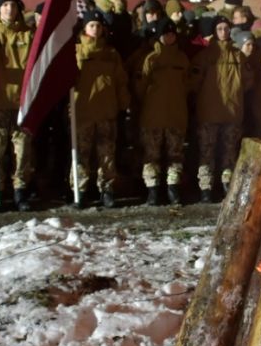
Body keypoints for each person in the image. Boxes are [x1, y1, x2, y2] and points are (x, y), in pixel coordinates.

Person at [191, 15, 252, 202]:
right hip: (209, 112)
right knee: (207, 152)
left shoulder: (238, 56)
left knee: (229, 153)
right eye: (219, 29)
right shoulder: (204, 56)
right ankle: (206, 188)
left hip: (232, 113)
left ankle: (227, 185)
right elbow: (193, 83)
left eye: (226, 28)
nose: (223, 32)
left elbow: (249, 81)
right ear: (214, 32)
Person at [73, 14, 130, 208]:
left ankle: (107, 189)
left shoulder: (112, 54)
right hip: (83, 112)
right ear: (84, 29)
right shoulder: (77, 52)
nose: (95, 29)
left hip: (107, 111)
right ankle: (79, 190)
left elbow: (121, 81)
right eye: (91, 25)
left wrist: (124, 103)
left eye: (98, 25)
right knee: (81, 153)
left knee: (106, 154)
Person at [0, 0, 35, 211]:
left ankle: (20, 191)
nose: (10, 9)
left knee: (22, 150)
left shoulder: (28, 34)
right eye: (5, 5)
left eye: (13, 5)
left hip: (20, 104)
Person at [137, 20, 189, 205]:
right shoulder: (151, 59)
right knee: (151, 155)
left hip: (176, 115)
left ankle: (173, 189)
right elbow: (141, 87)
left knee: (175, 155)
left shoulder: (182, 59)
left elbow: (187, 84)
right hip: (153, 116)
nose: (169, 37)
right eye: (165, 34)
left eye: (172, 34)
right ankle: (152, 191)